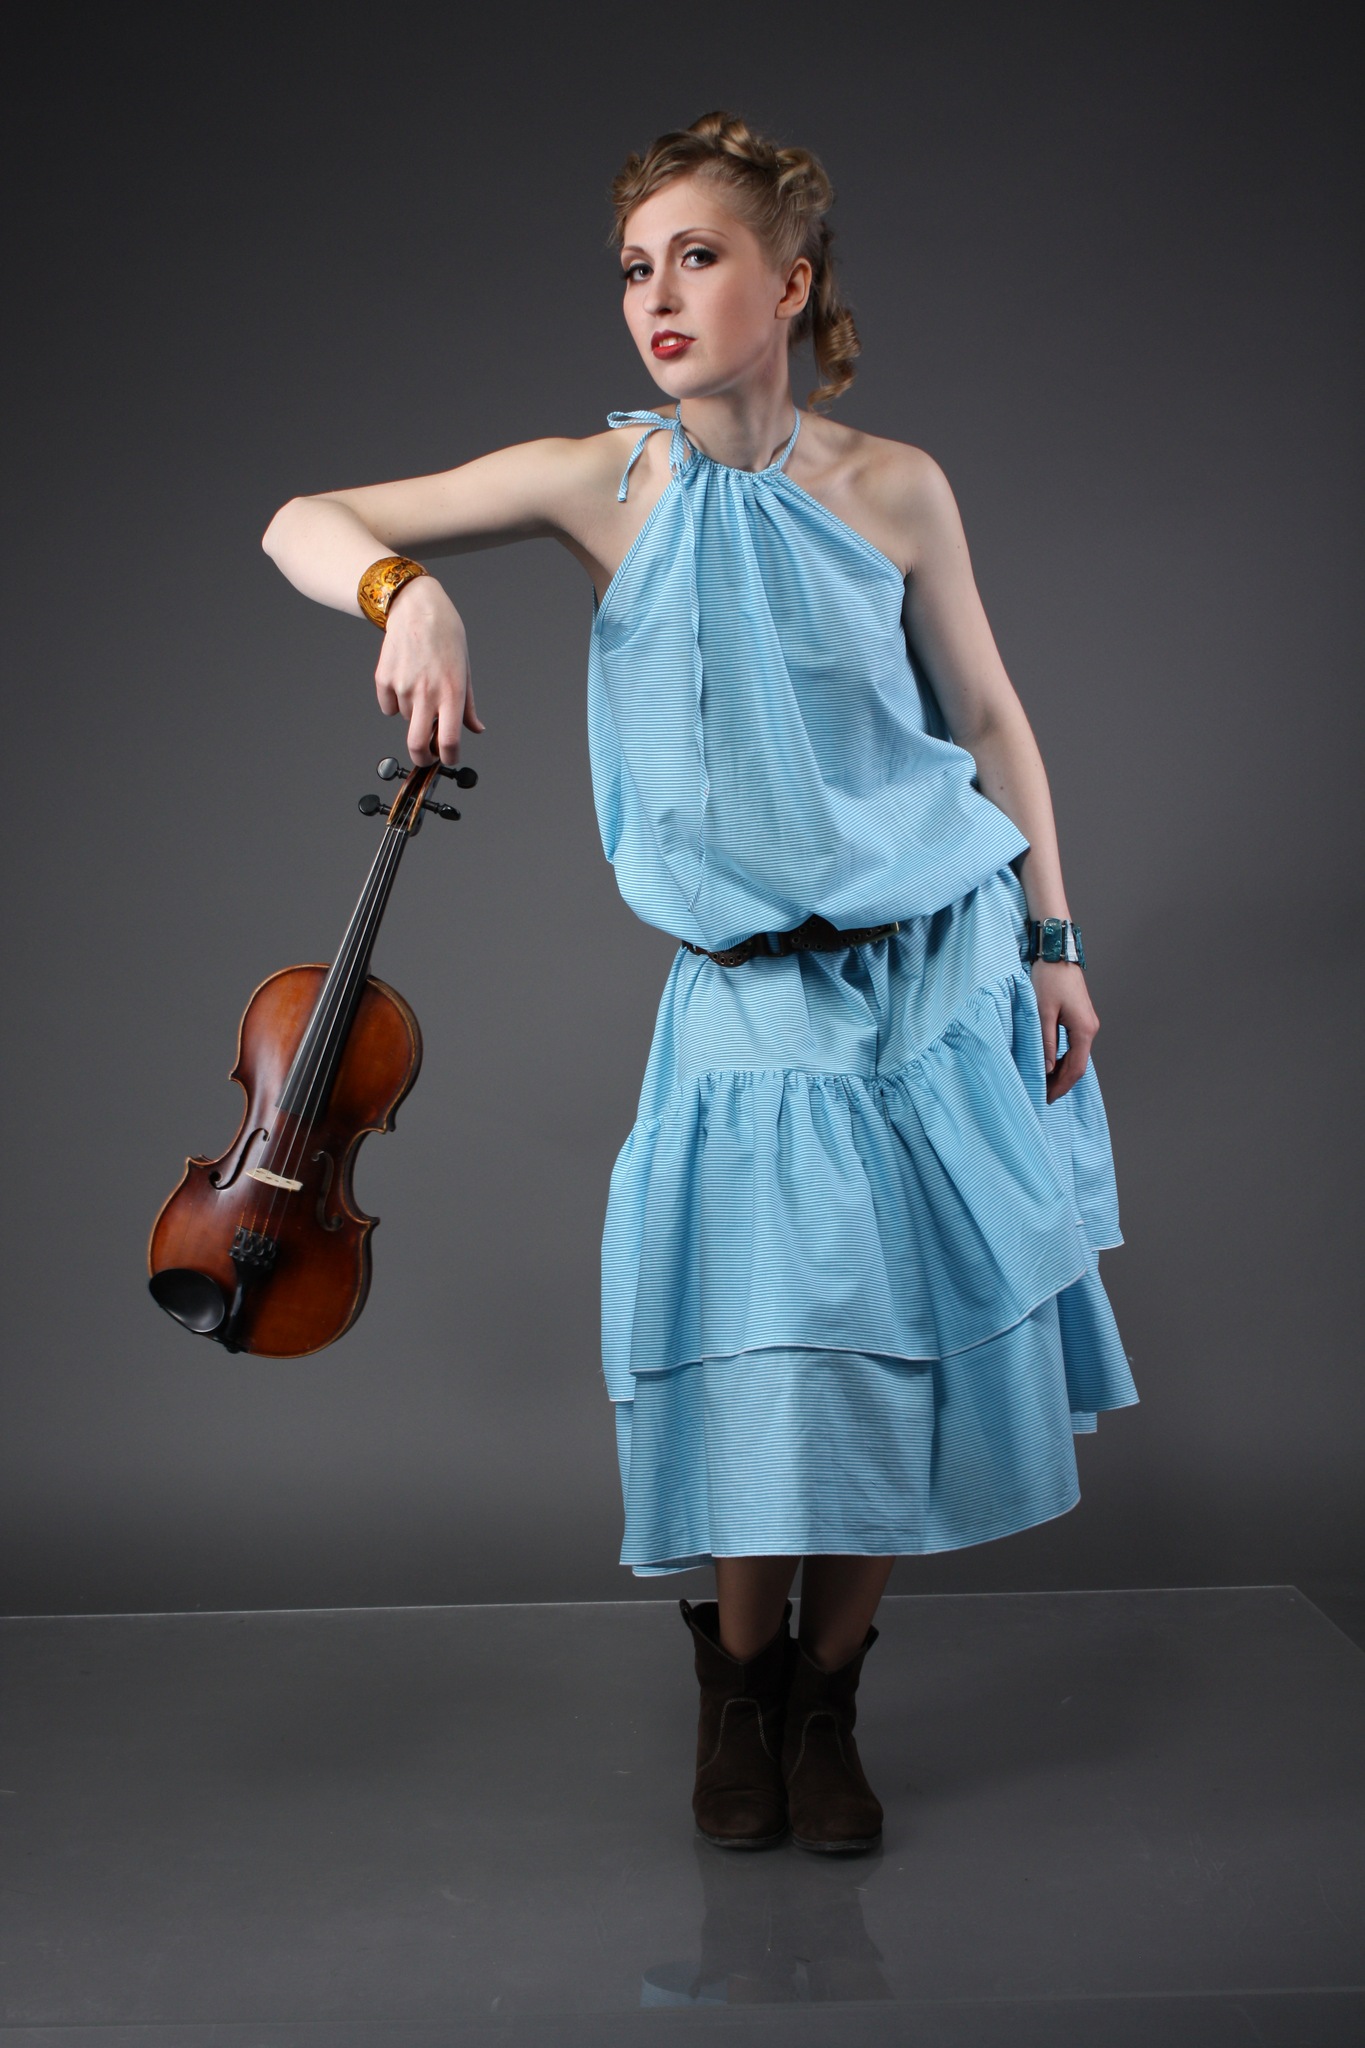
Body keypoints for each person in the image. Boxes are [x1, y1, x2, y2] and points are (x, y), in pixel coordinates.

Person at [262, 110, 1138, 1858]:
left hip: (938, 973)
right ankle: (735, 1682)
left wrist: (1053, 941)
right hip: (751, 996)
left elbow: (986, 720)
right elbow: (303, 517)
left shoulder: (894, 486)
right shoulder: (607, 485)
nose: (655, 295)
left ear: (789, 283)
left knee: (894, 1354)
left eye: (698, 257)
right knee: (771, 1355)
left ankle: (829, 1699)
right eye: (632, 268)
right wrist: (403, 595)